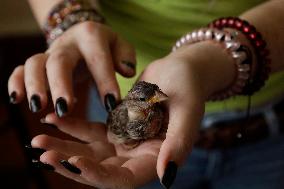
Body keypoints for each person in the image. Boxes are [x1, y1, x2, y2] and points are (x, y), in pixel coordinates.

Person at [7, 0, 284, 188]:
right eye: (150, 99)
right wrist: (72, 21)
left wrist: (205, 62)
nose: (158, 100)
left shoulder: (154, 109)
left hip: (270, 126)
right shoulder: (128, 121)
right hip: (123, 120)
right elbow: (120, 133)